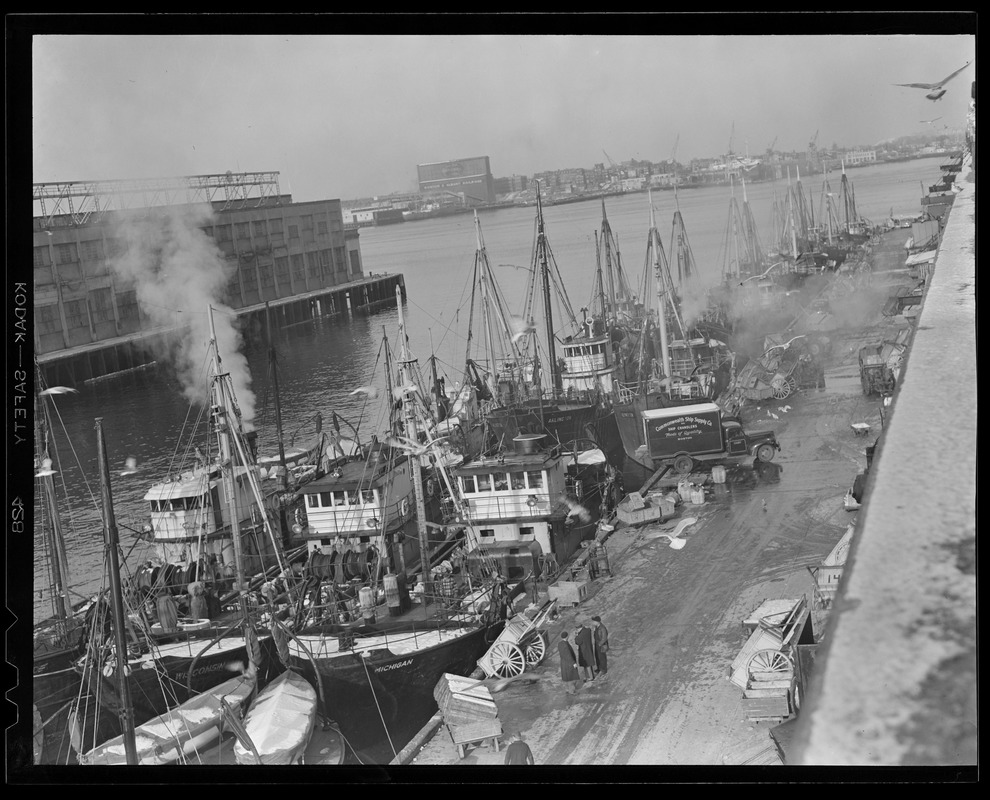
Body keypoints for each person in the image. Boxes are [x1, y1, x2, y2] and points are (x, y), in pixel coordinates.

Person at [591, 615, 609, 682]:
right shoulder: (596, 627)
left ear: (597, 621)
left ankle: (603, 670)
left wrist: (599, 644)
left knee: (602, 657)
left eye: (593, 621)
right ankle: (599, 668)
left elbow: (604, 638)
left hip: (601, 645)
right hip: (597, 644)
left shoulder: (602, 628)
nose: (592, 622)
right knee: (597, 657)